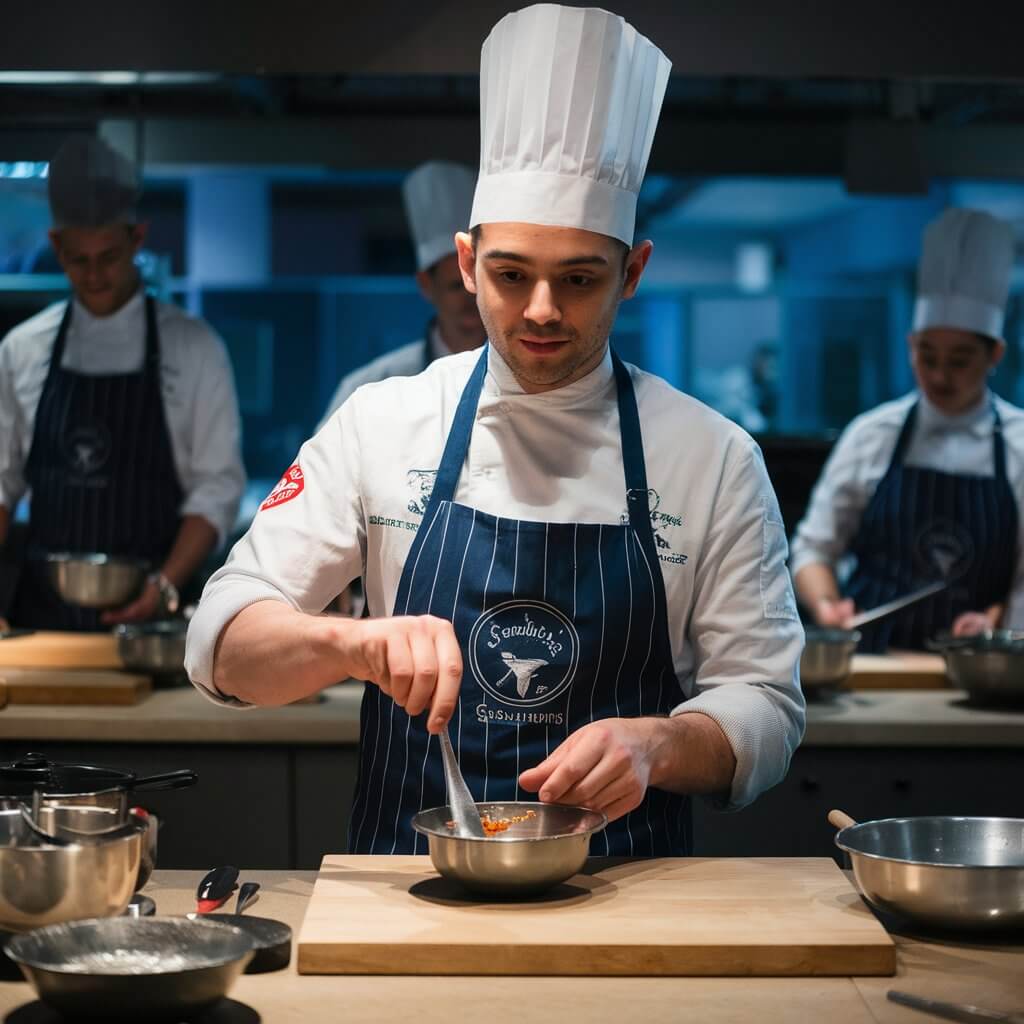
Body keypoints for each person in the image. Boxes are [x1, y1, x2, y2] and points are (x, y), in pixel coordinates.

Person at [186, 4, 804, 857]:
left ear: (634, 272)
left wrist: (656, 745)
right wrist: (352, 642)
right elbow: (220, 641)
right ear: (467, 262)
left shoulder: (713, 457)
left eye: (580, 279)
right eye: (512, 275)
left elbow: (767, 704)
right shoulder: (383, 424)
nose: (542, 312)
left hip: (630, 896)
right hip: (407, 888)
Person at [0, 135, 245, 631]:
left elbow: (217, 488)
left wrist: (165, 586)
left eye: (109, 257)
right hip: (42, 619)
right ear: (56, 247)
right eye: (78, 259)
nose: (94, 276)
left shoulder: (195, 348)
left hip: (152, 613)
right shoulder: (22, 350)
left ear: (137, 238)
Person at [792, 208, 1023, 651]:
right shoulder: (872, 434)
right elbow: (813, 549)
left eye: (959, 361)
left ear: (994, 355)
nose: (938, 376)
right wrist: (827, 605)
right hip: (873, 665)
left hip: (979, 667)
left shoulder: (1019, 445)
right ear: (910, 346)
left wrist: (997, 618)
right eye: (926, 356)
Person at [318, 161, 485, 428]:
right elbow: (316, 467)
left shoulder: (524, 380)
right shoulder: (372, 385)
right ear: (426, 285)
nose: (471, 299)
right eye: (456, 286)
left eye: (478, 284)